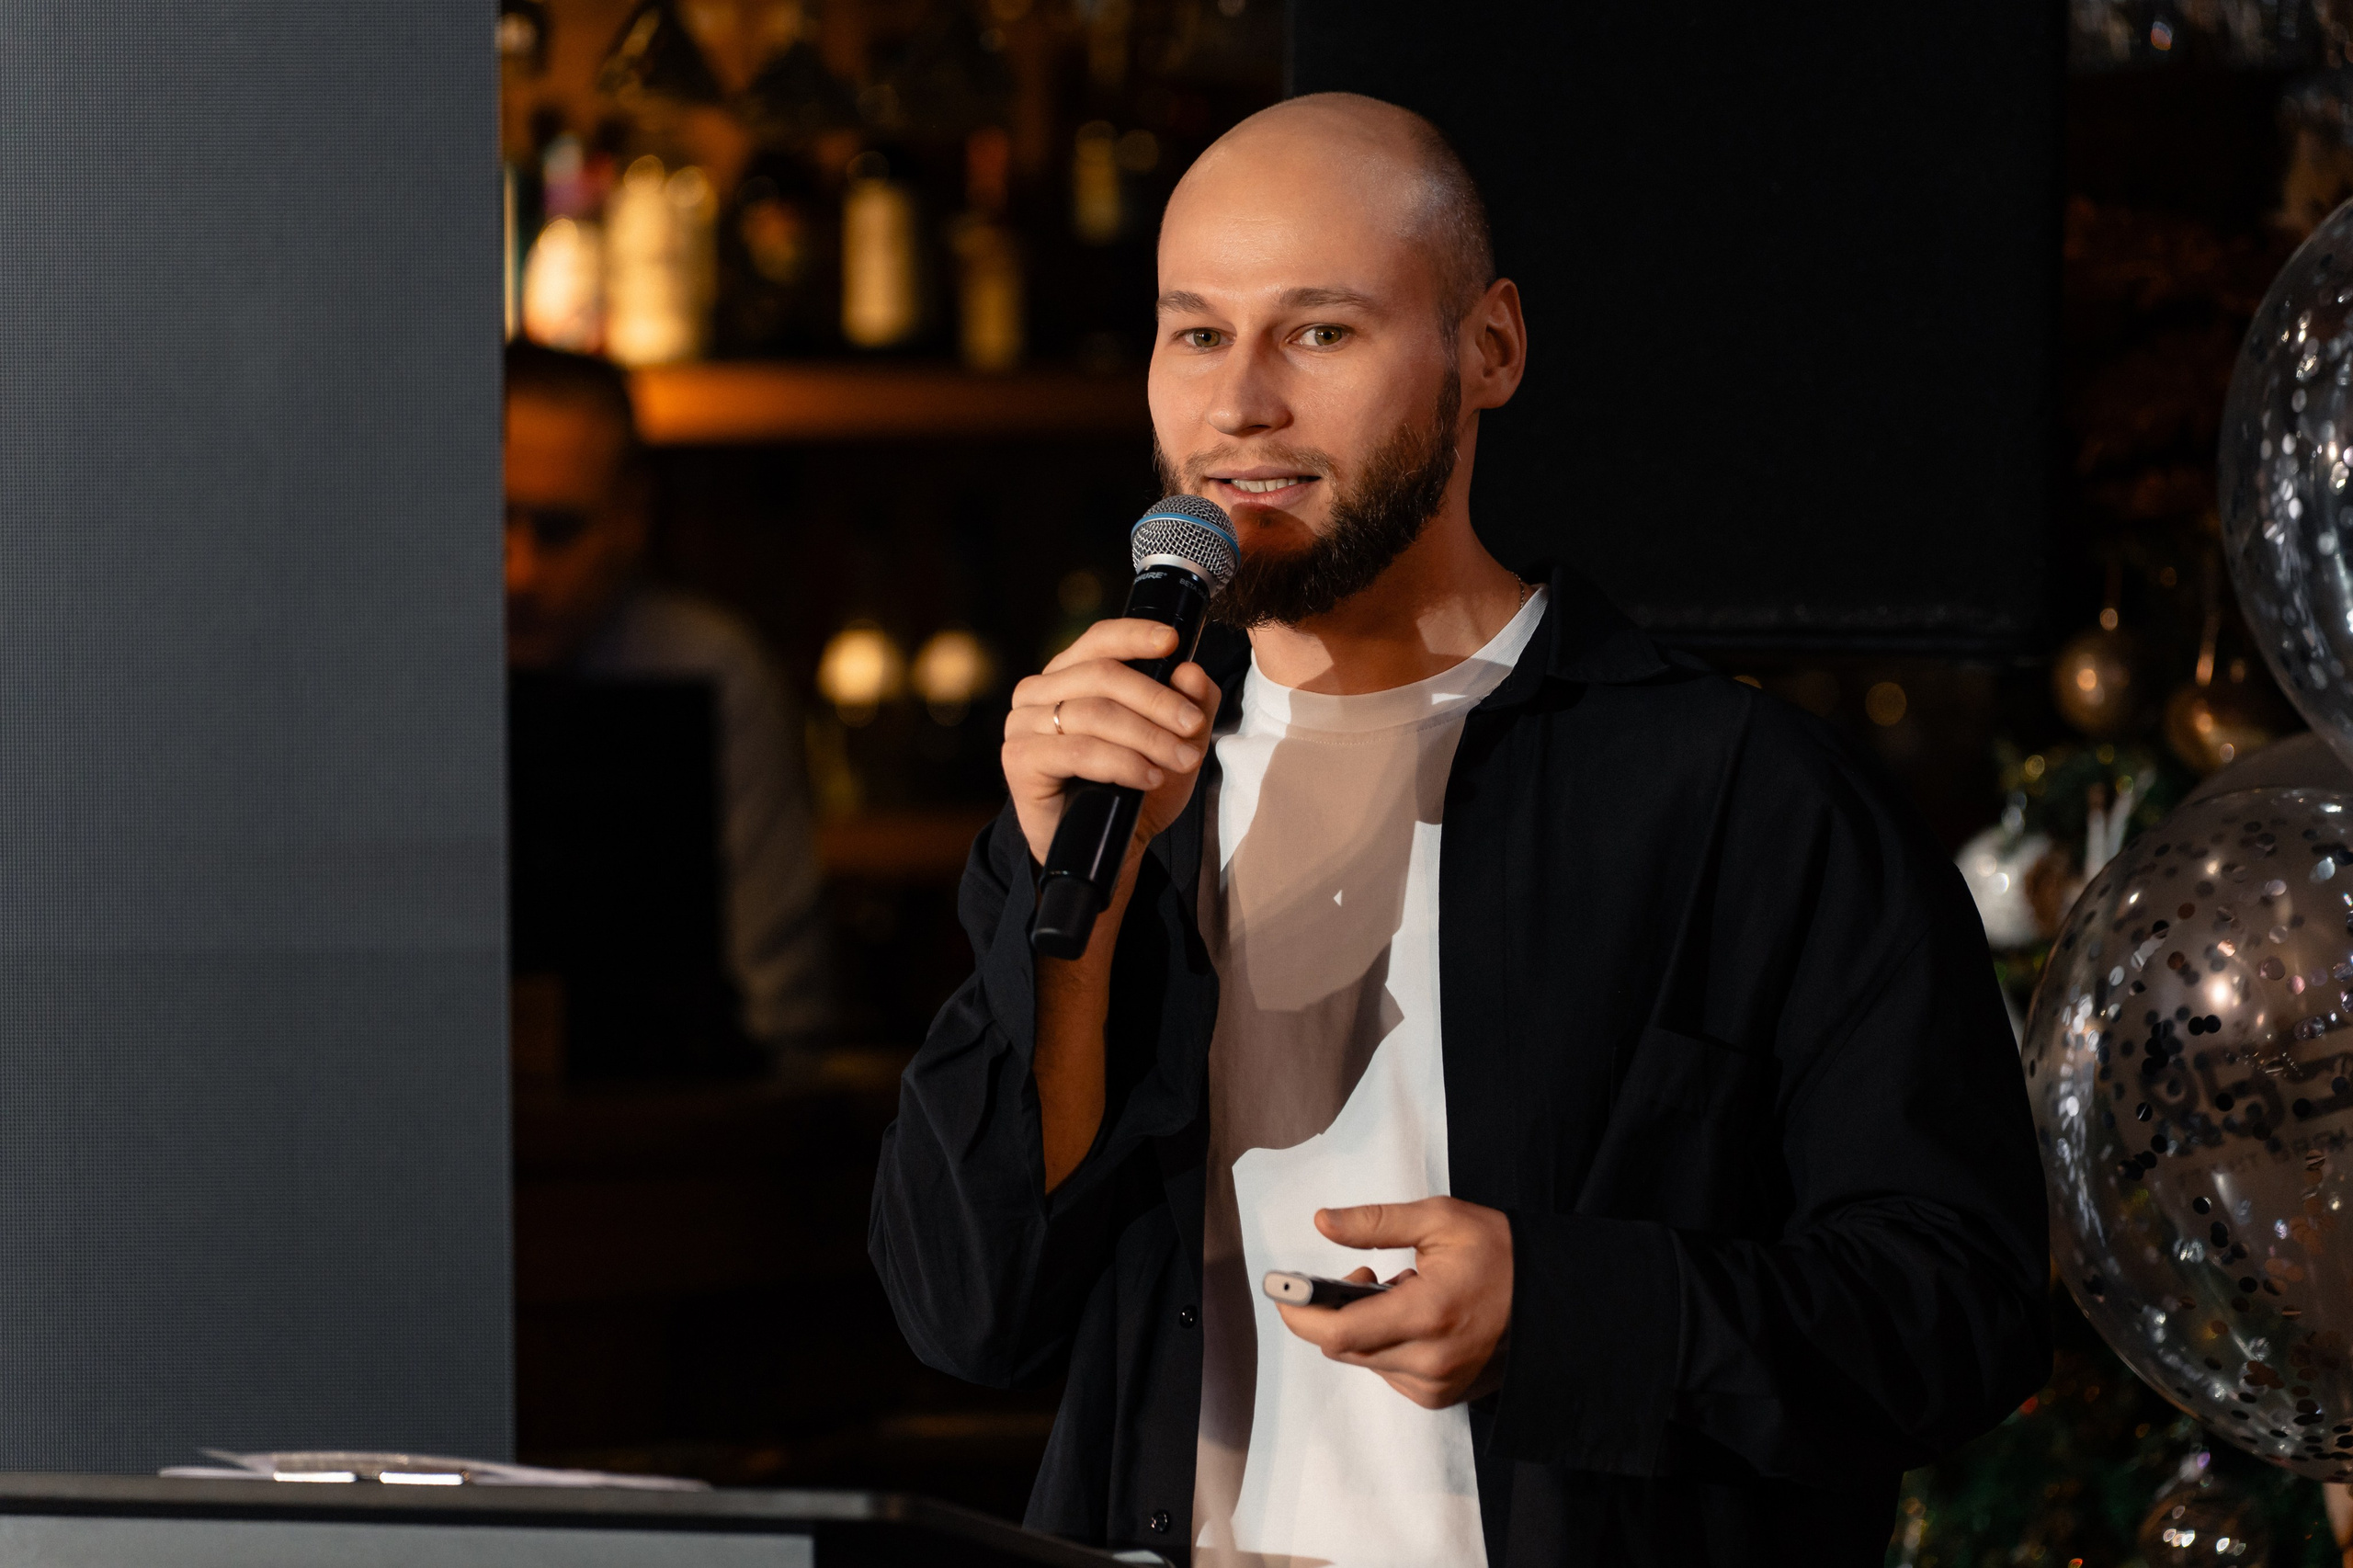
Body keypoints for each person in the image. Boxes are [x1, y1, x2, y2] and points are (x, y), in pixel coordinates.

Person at [869, 94, 2049, 1566]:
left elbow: (1959, 1312)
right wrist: (1072, 916)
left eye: (1320, 331)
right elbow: (963, 1307)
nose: (1240, 404)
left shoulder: (1740, 795)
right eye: (1195, 332)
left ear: (1488, 348)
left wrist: (1566, 1311)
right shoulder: (1111, 797)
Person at [504, 340, 829, 1051]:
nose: (519, 572)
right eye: (491, 520)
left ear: (630, 517)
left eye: (558, 531)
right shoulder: (379, 682)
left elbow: (779, 1009)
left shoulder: (711, 669)